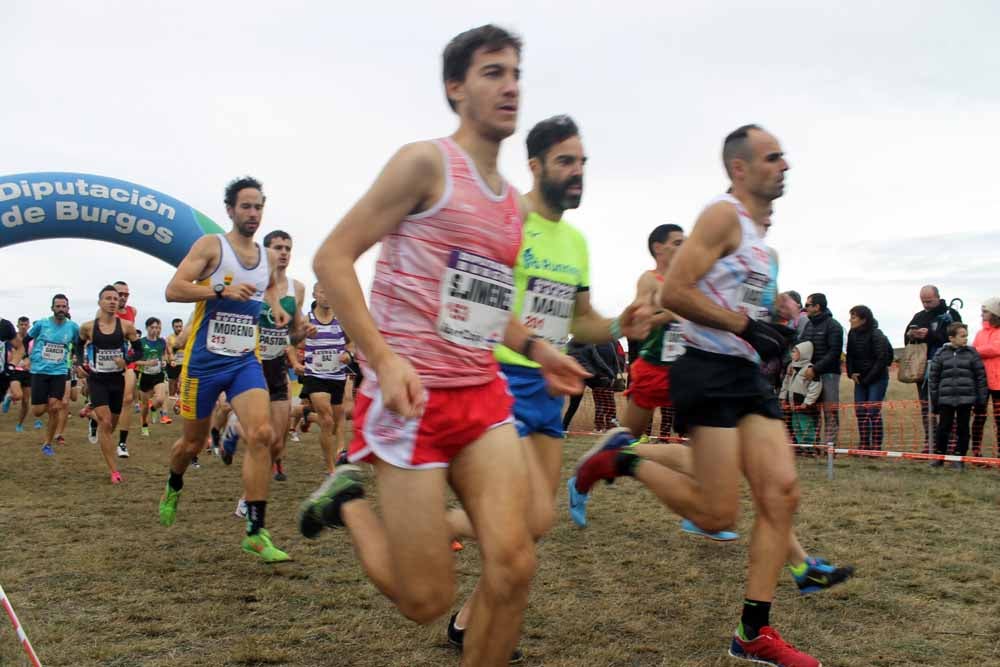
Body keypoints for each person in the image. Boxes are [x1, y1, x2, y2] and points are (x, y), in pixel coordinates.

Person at [297, 27, 589, 667]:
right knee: (425, 600)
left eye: (515, 72)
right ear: (456, 88)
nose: (509, 85)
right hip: (410, 401)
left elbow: (487, 312)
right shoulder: (425, 163)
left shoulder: (513, 205)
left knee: (514, 566)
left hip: (482, 396)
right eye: (491, 72)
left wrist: (538, 349)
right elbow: (332, 258)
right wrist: (383, 356)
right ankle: (347, 502)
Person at [572, 125, 849, 666]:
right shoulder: (721, 215)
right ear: (740, 169)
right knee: (717, 514)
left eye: (785, 157)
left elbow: (744, 307)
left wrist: (776, 323)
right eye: (773, 158)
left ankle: (753, 631)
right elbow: (676, 290)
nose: (785, 165)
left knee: (781, 494)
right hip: (707, 370)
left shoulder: (765, 248)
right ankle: (623, 459)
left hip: (746, 375)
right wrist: (744, 324)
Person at [158, 175, 292, 563]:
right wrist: (219, 290)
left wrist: (277, 309)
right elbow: (174, 289)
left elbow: (266, 290)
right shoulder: (211, 247)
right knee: (192, 445)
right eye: (246, 206)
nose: (253, 213)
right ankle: (174, 483)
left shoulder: (266, 258)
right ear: (231, 210)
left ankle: (255, 530)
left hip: (243, 361)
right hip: (203, 362)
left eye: (259, 207)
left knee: (262, 434)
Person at [254, 229, 309, 483]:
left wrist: (304, 333)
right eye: (278, 248)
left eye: (287, 248)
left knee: (277, 437)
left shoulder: (297, 288)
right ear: (266, 252)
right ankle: (251, 495)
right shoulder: (253, 284)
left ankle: (276, 462)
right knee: (259, 433)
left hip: (277, 366)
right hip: (251, 365)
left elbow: (293, 336)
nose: (284, 253)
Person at [77, 286, 143, 482]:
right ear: (100, 303)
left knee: (111, 426)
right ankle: (114, 471)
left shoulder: (126, 327)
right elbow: (78, 345)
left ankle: (91, 416)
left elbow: (139, 351)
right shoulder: (88, 327)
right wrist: (80, 365)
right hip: (97, 379)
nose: (113, 301)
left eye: (116, 298)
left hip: (117, 380)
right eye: (108, 298)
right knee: (106, 423)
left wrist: (127, 359)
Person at [299, 286, 353, 475]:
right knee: (327, 419)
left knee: (338, 419)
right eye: (322, 291)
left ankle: (339, 451)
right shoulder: (307, 319)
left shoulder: (341, 319)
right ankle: (331, 467)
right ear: (315, 295)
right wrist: (304, 334)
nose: (327, 295)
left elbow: (351, 341)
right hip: (315, 375)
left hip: (337, 374)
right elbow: (293, 341)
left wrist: (348, 353)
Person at [904, 285, 962, 445]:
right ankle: (931, 442)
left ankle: (949, 442)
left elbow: (956, 339)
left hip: (946, 367)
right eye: (923, 301)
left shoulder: (951, 315)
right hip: (922, 369)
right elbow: (907, 339)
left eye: (929, 301)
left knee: (946, 406)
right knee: (926, 407)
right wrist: (911, 334)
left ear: (938, 297)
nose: (926, 305)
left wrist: (930, 334)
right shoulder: (918, 316)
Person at [26, 295, 81, 456]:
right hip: (39, 370)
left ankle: (48, 444)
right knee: (38, 410)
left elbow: (79, 345)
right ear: (52, 308)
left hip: (59, 371)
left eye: (64, 307)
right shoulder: (42, 324)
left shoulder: (72, 327)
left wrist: (79, 362)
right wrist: (25, 357)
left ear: (68, 309)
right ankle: (40, 410)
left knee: (55, 407)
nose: (61, 309)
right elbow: (26, 339)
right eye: (58, 306)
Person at [929, 322, 987, 469]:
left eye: (966, 336)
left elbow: (980, 377)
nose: (965, 339)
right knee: (943, 428)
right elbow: (933, 378)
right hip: (945, 399)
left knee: (963, 429)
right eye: (962, 336)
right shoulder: (941, 354)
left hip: (966, 399)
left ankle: (959, 457)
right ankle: (939, 456)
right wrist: (935, 401)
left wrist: (981, 400)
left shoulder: (972, 353)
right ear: (952, 338)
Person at [845, 305, 893, 450]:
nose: (850, 320)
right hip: (859, 379)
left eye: (853, 317)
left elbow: (882, 359)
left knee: (872, 411)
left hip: (877, 378)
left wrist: (868, 378)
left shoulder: (877, 334)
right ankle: (864, 443)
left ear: (863, 319)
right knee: (860, 411)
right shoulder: (852, 333)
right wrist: (851, 373)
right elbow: (850, 356)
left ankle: (877, 444)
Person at [798, 293, 844, 445]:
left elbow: (834, 352)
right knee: (811, 410)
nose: (806, 307)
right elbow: (802, 347)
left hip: (829, 374)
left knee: (830, 411)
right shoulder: (808, 325)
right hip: (810, 374)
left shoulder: (834, 326)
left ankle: (830, 446)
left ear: (817, 307)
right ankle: (814, 444)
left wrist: (816, 369)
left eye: (808, 304)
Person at [563, 341, 621, 432]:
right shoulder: (589, 344)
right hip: (590, 375)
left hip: (576, 376)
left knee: (573, 405)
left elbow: (565, 358)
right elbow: (598, 361)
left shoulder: (569, 344)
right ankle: (607, 423)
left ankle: (563, 428)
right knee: (603, 399)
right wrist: (610, 374)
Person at [971, 297, 1000, 458]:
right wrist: (979, 350)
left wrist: (977, 350)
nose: (982, 315)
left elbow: (995, 348)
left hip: (998, 383)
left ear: (995, 313)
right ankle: (976, 451)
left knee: (999, 419)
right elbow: (975, 350)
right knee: (979, 417)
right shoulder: (980, 333)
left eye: (985, 311)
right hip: (981, 381)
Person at [779, 342, 822, 446]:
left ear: (803, 353)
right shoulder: (791, 368)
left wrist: (807, 402)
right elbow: (786, 383)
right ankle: (801, 446)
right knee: (796, 426)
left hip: (804, 406)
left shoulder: (810, 369)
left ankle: (810, 447)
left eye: (794, 352)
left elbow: (815, 387)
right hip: (793, 404)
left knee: (806, 426)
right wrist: (782, 398)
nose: (792, 354)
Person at [136, 317, 170, 439]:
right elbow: (134, 361)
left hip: (158, 375)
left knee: (160, 399)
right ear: (147, 328)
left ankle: (154, 407)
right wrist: (147, 363)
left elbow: (164, 355)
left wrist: (165, 361)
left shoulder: (162, 342)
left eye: (157, 327)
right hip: (145, 376)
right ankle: (144, 426)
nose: (155, 330)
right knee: (144, 406)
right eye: (152, 327)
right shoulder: (140, 342)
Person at [3, 317, 34, 432]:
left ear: (29, 326)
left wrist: (28, 362)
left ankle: (20, 424)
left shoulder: (31, 339)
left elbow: (34, 354)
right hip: (14, 371)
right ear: (17, 325)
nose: (23, 327)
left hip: (27, 372)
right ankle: (9, 397)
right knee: (18, 395)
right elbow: (6, 353)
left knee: (26, 401)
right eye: (21, 324)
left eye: (26, 324)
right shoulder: (11, 338)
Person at [165, 318, 185, 415]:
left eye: (180, 326)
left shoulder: (186, 337)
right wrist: (171, 360)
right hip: (173, 363)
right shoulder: (169, 338)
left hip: (183, 363)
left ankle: (180, 405)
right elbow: (169, 351)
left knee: (181, 383)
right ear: (173, 327)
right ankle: (172, 403)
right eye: (176, 326)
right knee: (172, 383)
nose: (179, 328)